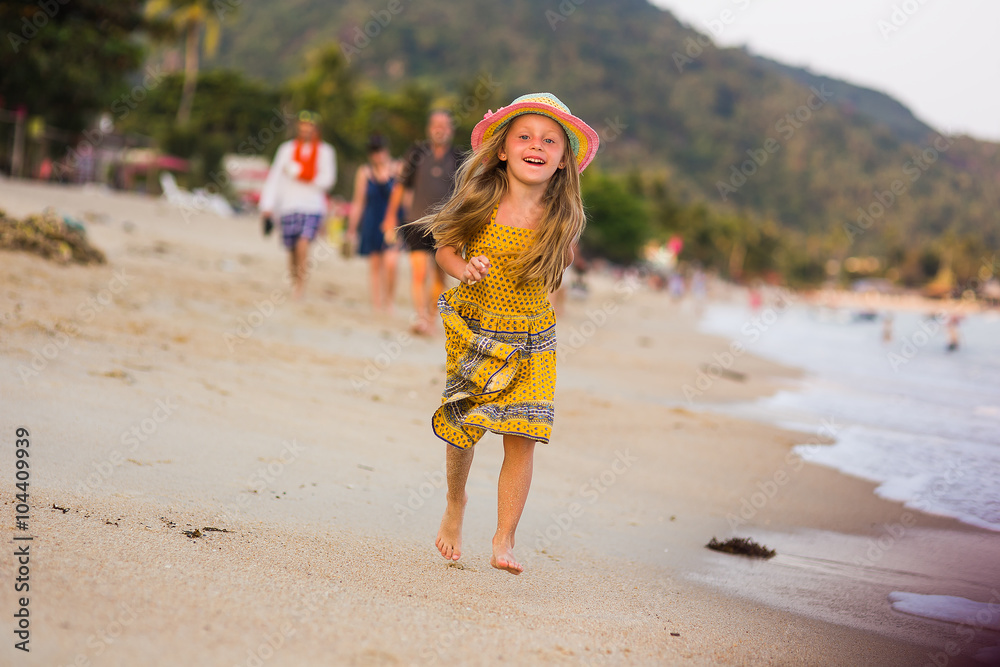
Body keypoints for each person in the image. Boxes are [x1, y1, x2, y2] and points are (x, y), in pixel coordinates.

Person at [418, 93, 599, 574]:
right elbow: (444, 250)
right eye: (524, 136)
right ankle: (455, 503)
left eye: (550, 141)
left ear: (563, 161)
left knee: (523, 433)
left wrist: (558, 255)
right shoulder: (480, 201)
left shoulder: (562, 219)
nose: (536, 145)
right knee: (464, 427)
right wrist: (464, 268)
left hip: (533, 337)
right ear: (502, 149)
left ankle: (504, 537)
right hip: (478, 328)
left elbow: (559, 269)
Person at [382, 110, 463, 334]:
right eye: (436, 124)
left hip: (446, 225)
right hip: (416, 221)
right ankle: (420, 316)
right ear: (429, 128)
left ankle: (431, 316)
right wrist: (390, 216)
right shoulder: (416, 153)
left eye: (444, 125)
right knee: (418, 272)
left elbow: (466, 193)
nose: (440, 129)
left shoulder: (459, 157)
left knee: (439, 274)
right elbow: (400, 186)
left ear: (451, 129)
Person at [260, 111, 337, 300]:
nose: (306, 129)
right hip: (289, 205)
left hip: (312, 206)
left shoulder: (325, 152)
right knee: (292, 248)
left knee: (304, 243)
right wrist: (267, 206)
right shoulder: (286, 150)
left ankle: (300, 288)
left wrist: (303, 175)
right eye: (303, 125)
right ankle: (295, 281)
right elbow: (274, 179)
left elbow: (329, 180)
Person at [346, 135, 400, 313]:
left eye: (379, 150)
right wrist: (351, 229)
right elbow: (358, 202)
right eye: (373, 151)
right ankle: (377, 304)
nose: (376, 154)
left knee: (391, 263)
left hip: (392, 223)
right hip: (372, 221)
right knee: (375, 265)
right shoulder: (364, 172)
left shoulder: (398, 168)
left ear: (386, 150)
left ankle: (389, 301)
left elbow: (405, 198)